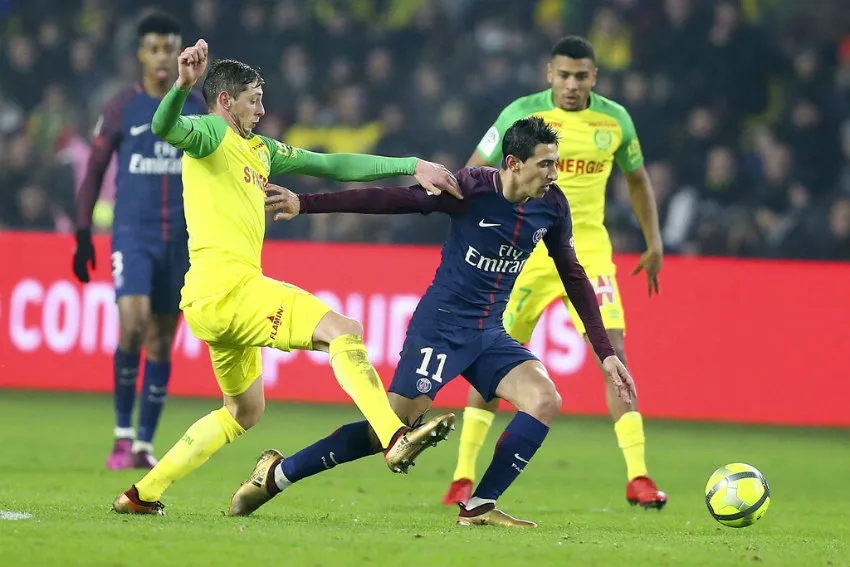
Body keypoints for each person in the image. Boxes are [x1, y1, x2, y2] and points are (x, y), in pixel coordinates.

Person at [112, 39, 462, 515]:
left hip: (208, 301)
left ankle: (142, 494)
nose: (261, 110)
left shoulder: (260, 150)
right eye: (253, 100)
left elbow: (333, 164)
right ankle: (394, 436)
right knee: (344, 331)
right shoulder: (210, 133)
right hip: (231, 289)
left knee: (243, 411)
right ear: (224, 101)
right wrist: (181, 86)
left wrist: (411, 165)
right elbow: (163, 126)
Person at [230, 116, 635, 528]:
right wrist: (307, 203)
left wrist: (605, 353)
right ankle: (276, 474)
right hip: (440, 328)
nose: (554, 174)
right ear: (514, 163)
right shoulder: (471, 188)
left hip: (489, 333)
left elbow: (573, 275)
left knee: (544, 399)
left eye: (555, 163)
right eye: (545, 164)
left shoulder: (552, 206)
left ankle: (479, 506)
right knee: (389, 430)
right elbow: (392, 200)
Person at [443, 36, 667, 509]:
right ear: (549, 74)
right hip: (524, 254)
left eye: (581, 76)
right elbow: (474, 169)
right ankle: (462, 476)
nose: (571, 84)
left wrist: (654, 241)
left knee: (614, 351)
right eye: (563, 75)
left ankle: (639, 476)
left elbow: (637, 180)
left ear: (594, 77)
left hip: (588, 253)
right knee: (492, 361)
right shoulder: (519, 115)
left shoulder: (615, 121)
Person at [73, 11, 207, 470]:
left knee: (162, 340)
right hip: (133, 234)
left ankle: (144, 444)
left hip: (181, 239)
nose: (162, 57)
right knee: (132, 323)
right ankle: (121, 435)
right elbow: (94, 170)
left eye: (170, 48)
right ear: (141, 55)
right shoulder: (121, 107)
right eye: (154, 49)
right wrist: (83, 233)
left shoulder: (198, 107)